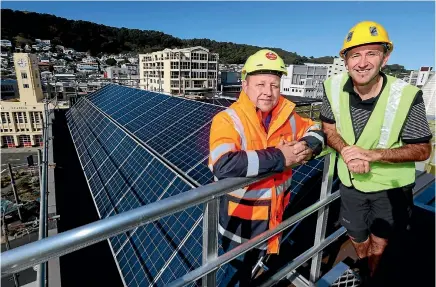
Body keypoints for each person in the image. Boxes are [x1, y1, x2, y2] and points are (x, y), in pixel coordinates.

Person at [320, 21, 433, 285]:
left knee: (381, 242)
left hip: (390, 189)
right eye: (355, 55)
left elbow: (422, 149)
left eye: (371, 53)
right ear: (345, 60)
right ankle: (364, 267)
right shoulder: (331, 87)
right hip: (349, 184)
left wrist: (372, 155)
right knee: (357, 235)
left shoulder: (405, 95)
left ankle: (374, 274)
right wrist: (347, 151)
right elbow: (328, 128)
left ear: (385, 56)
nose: (362, 62)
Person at [208, 49, 326, 286]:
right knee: (232, 279)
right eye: (260, 84)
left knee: (255, 274)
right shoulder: (228, 119)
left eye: (274, 84)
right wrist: (280, 157)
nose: (267, 91)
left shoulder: (288, 116)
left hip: (273, 220)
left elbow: (316, 129)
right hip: (240, 226)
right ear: (245, 84)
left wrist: (308, 146)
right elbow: (223, 164)